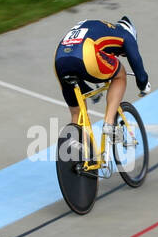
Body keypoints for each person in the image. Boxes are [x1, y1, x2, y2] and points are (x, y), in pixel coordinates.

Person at [54, 16, 150, 144]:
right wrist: (143, 83)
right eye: (122, 54)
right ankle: (110, 124)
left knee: (77, 115)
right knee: (120, 74)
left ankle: (80, 156)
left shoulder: (97, 26)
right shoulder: (125, 33)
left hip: (59, 59)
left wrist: (91, 92)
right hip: (86, 53)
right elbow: (135, 59)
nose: (119, 55)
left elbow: (74, 63)